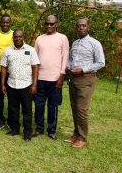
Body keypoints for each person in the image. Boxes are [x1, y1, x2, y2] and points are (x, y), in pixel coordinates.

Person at [65, 18, 105, 148]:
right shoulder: (75, 43)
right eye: (79, 26)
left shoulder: (95, 43)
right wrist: (68, 66)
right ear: (76, 28)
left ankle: (83, 138)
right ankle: (76, 134)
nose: (81, 28)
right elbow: (71, 59)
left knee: (82, 109)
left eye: (83, 26)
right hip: (74, 79)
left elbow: (100, 62)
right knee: (75, 107)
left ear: (88, 28)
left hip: (86, 79)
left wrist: (82, 69)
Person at [33, 15, 69, 140]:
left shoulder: (62, 38)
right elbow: (34, 58)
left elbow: (65, 56)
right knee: (39, 105)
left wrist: (62, 75)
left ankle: (51, 130)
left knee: (53, 106)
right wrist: (34, 79)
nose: (49, 26)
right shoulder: (39, 39)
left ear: (56, 24)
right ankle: (38, 128)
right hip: (40, 78)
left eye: (51, 24)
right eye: (47, 24)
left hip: (55, 78)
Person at [1, 30, 40, 142]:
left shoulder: (30, 50)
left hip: (26, 85)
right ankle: (15, 129)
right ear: (13, 38)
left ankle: (27, 132)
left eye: (20, 37)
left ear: (23, 37)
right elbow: (4, 67)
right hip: (11, 84)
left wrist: (34, 84)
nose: (18, 38)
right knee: (13, 109)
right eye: (16, 37)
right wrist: (2, 84)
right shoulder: (8, 50)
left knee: (27, 110)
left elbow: (35, 67)